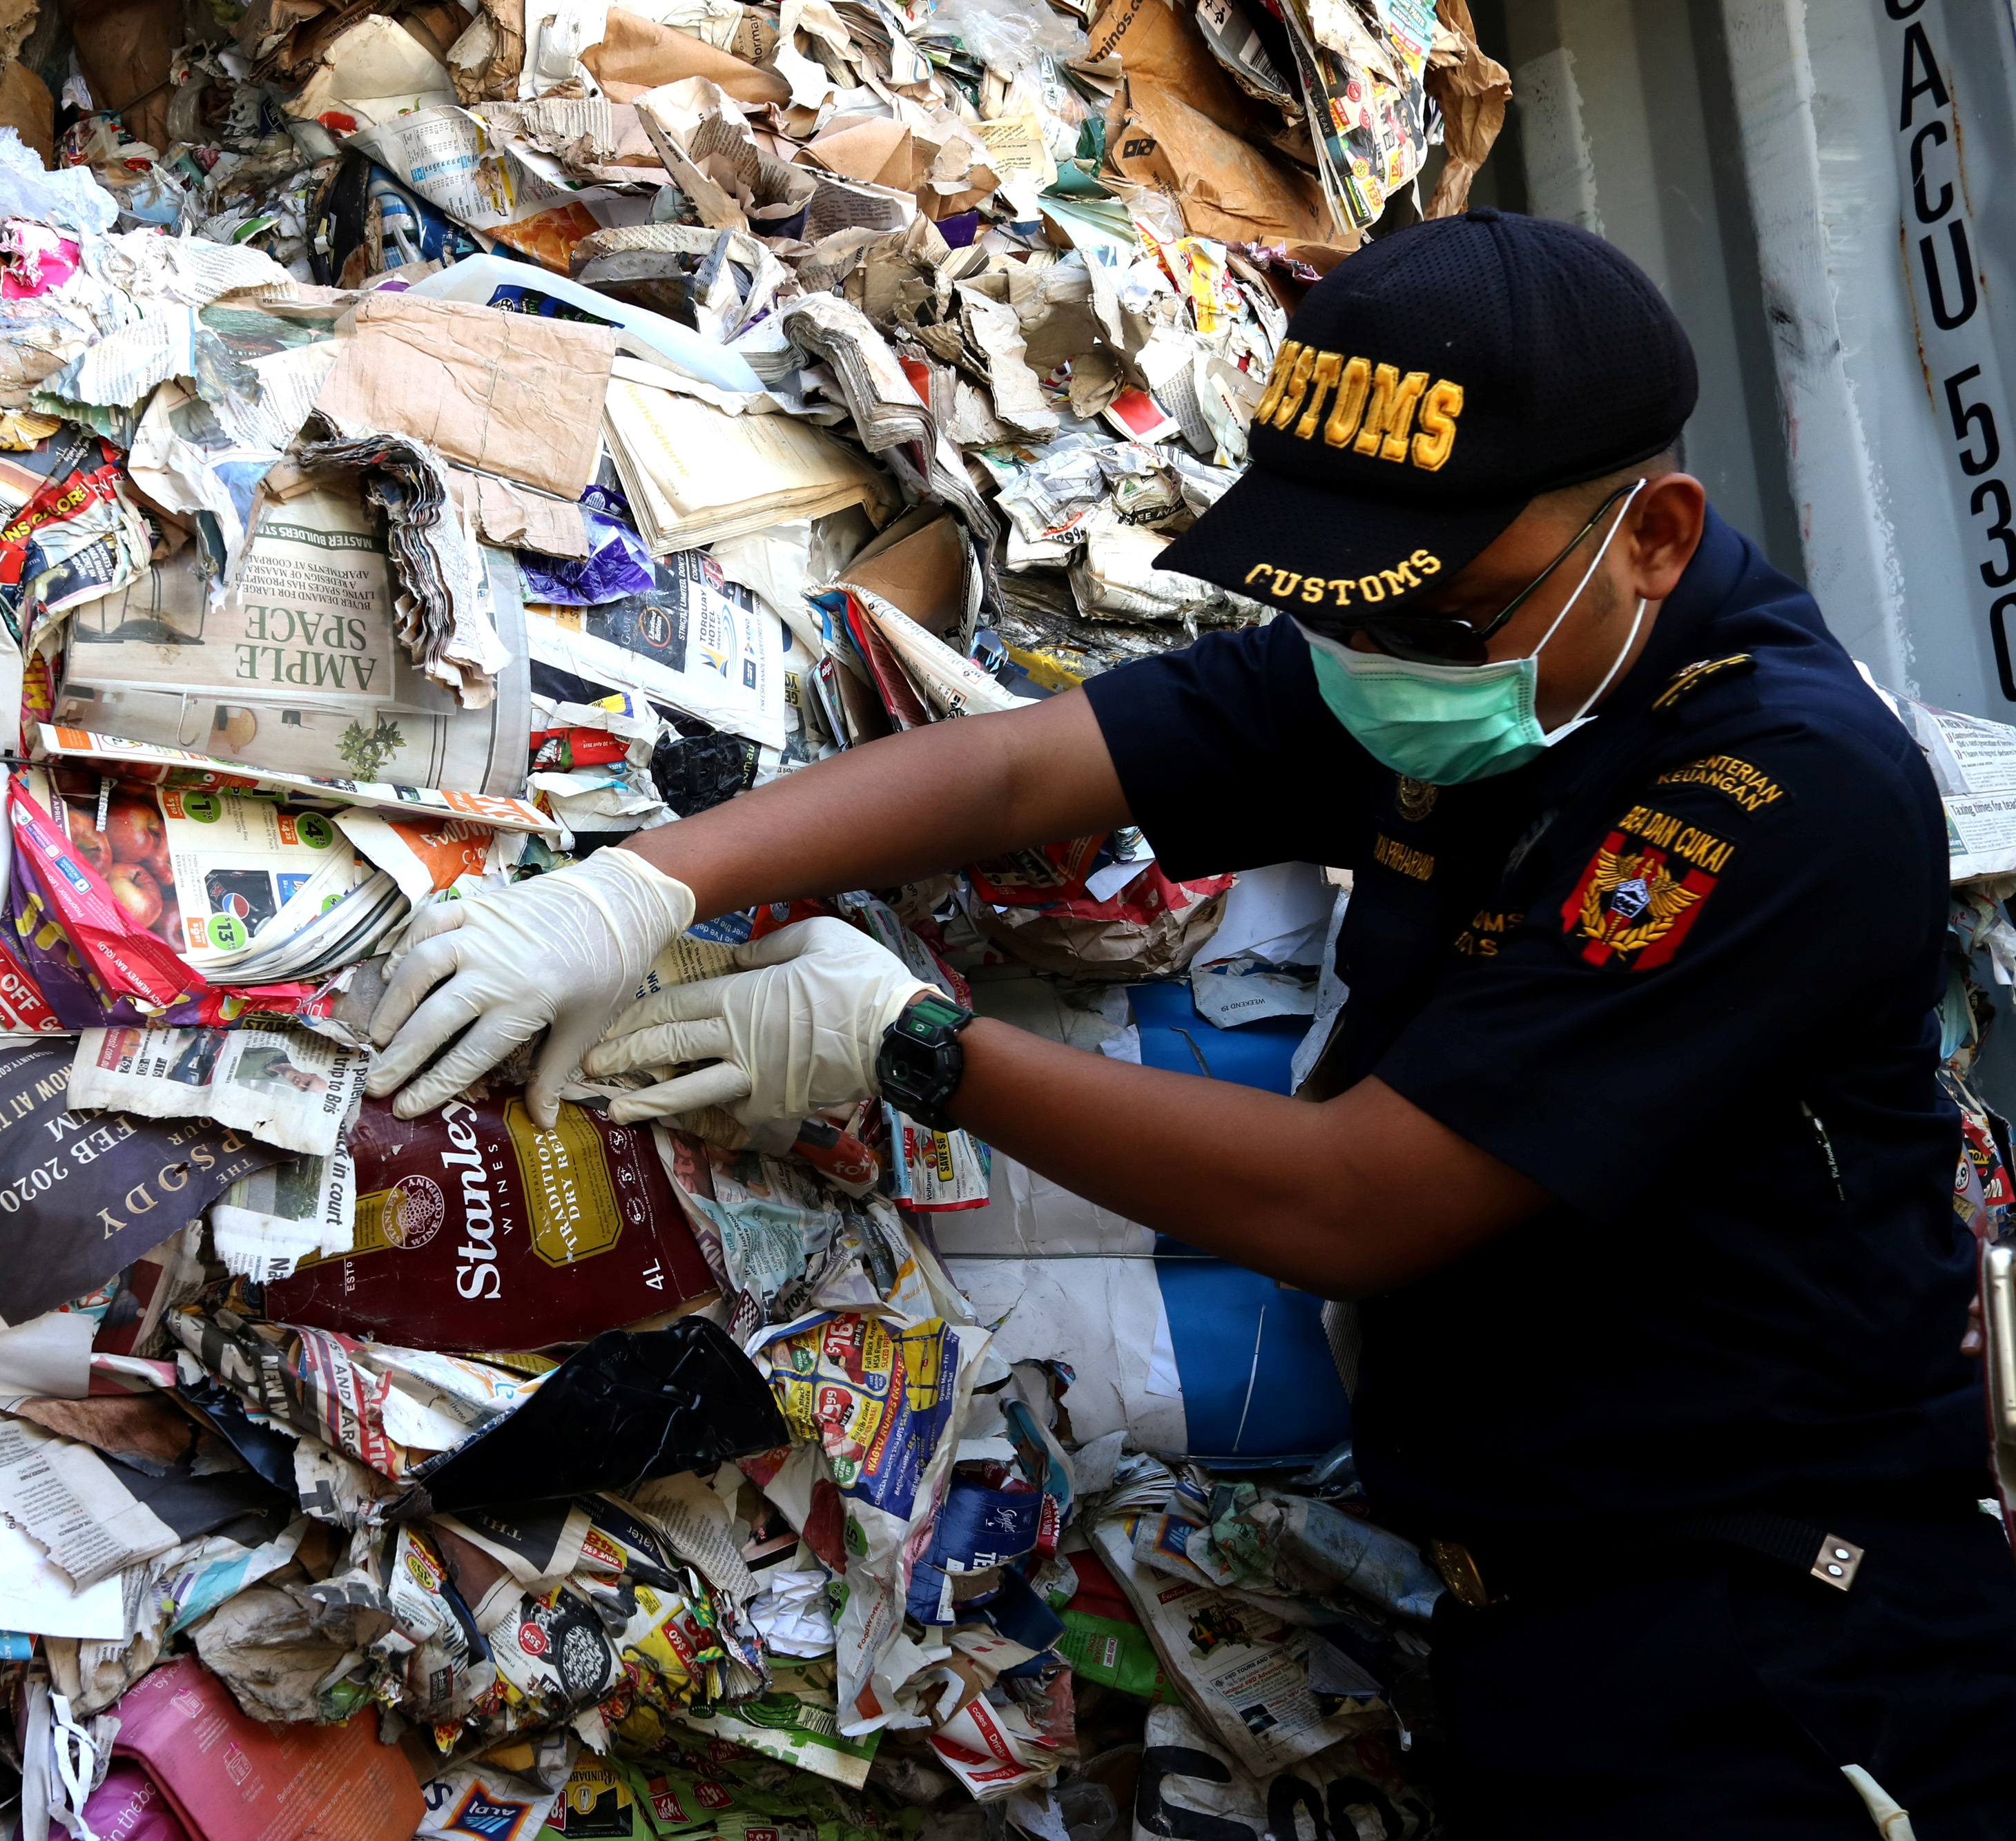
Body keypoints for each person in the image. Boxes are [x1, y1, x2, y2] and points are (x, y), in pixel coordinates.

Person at [362, 210, 2016, 1836]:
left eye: (1431, 614)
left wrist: (908, 1045)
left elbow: (1354, 1200)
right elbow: (1026, 764)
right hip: (1546, 1620)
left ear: (1649, 534)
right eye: (1345, 610)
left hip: (1780, 1656)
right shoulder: (1472, 647)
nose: (1372, 656)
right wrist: (631, 891)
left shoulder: (1770, 792)